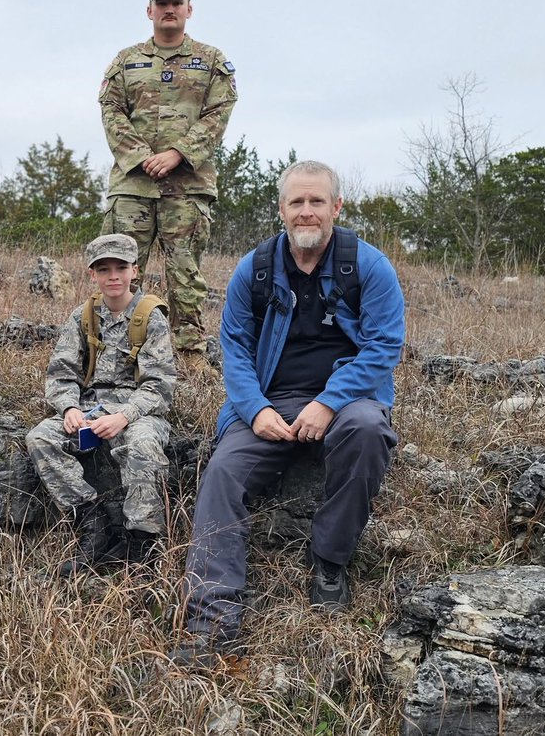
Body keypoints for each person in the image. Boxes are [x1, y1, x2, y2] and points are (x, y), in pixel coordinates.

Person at [170, 161, 405, 668]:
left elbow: (385, 346)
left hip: (347, 399)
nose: (306, 211)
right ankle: (212, 622)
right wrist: (254, 411)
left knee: (367, 431)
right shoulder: (252, 270)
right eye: (296, 202)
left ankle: (329, 562)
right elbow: (232, 346)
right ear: (281, 209)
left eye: (316, 201)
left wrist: (329, 401)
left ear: (336, 208)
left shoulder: (368, 267)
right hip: (268, 401)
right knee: (223, 473)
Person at [98, 0, 237, 356]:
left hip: (187, 185)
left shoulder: (211, 62)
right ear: (150, 11)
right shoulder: (126, 62)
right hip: (133, 186)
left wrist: (178, 153)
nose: (169, 9)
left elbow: (218, 113)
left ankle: (189, 354)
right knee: (118, 269)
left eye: (176, 3)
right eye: (162, 3)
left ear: (189, 10)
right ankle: (113, 349)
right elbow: (110, 110)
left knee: (185, 274)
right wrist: (141, 156)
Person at [26, 234, 177, 576]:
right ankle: (92, 522)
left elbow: (159, 385)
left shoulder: (150, 316)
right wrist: (69, 409)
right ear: (91, 274)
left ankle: (143, 543)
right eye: (103, 269)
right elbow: (61, 373)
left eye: (121, 268)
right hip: (90, 406)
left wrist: (124, 415)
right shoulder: (83, 316)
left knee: (143, 446)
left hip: (139, 411)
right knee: (41, 437)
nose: (113, 276)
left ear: (134, 270)